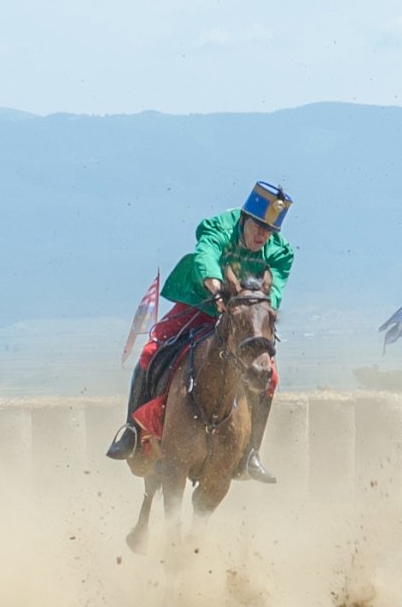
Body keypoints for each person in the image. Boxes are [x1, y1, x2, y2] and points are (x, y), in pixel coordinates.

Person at [106, 181, 294, 480]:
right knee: (150, 351)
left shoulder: (281, 252)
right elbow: (206, 253)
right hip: (202, 302)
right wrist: (216, 287)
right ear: (246, 217)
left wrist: (249, 312)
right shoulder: (221, 226)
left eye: (269, 231)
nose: (262, 235)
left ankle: (250, 454)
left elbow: (276, 290)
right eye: (259, 226)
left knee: (270, 376)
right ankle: (131, 430)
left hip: (244, 316)